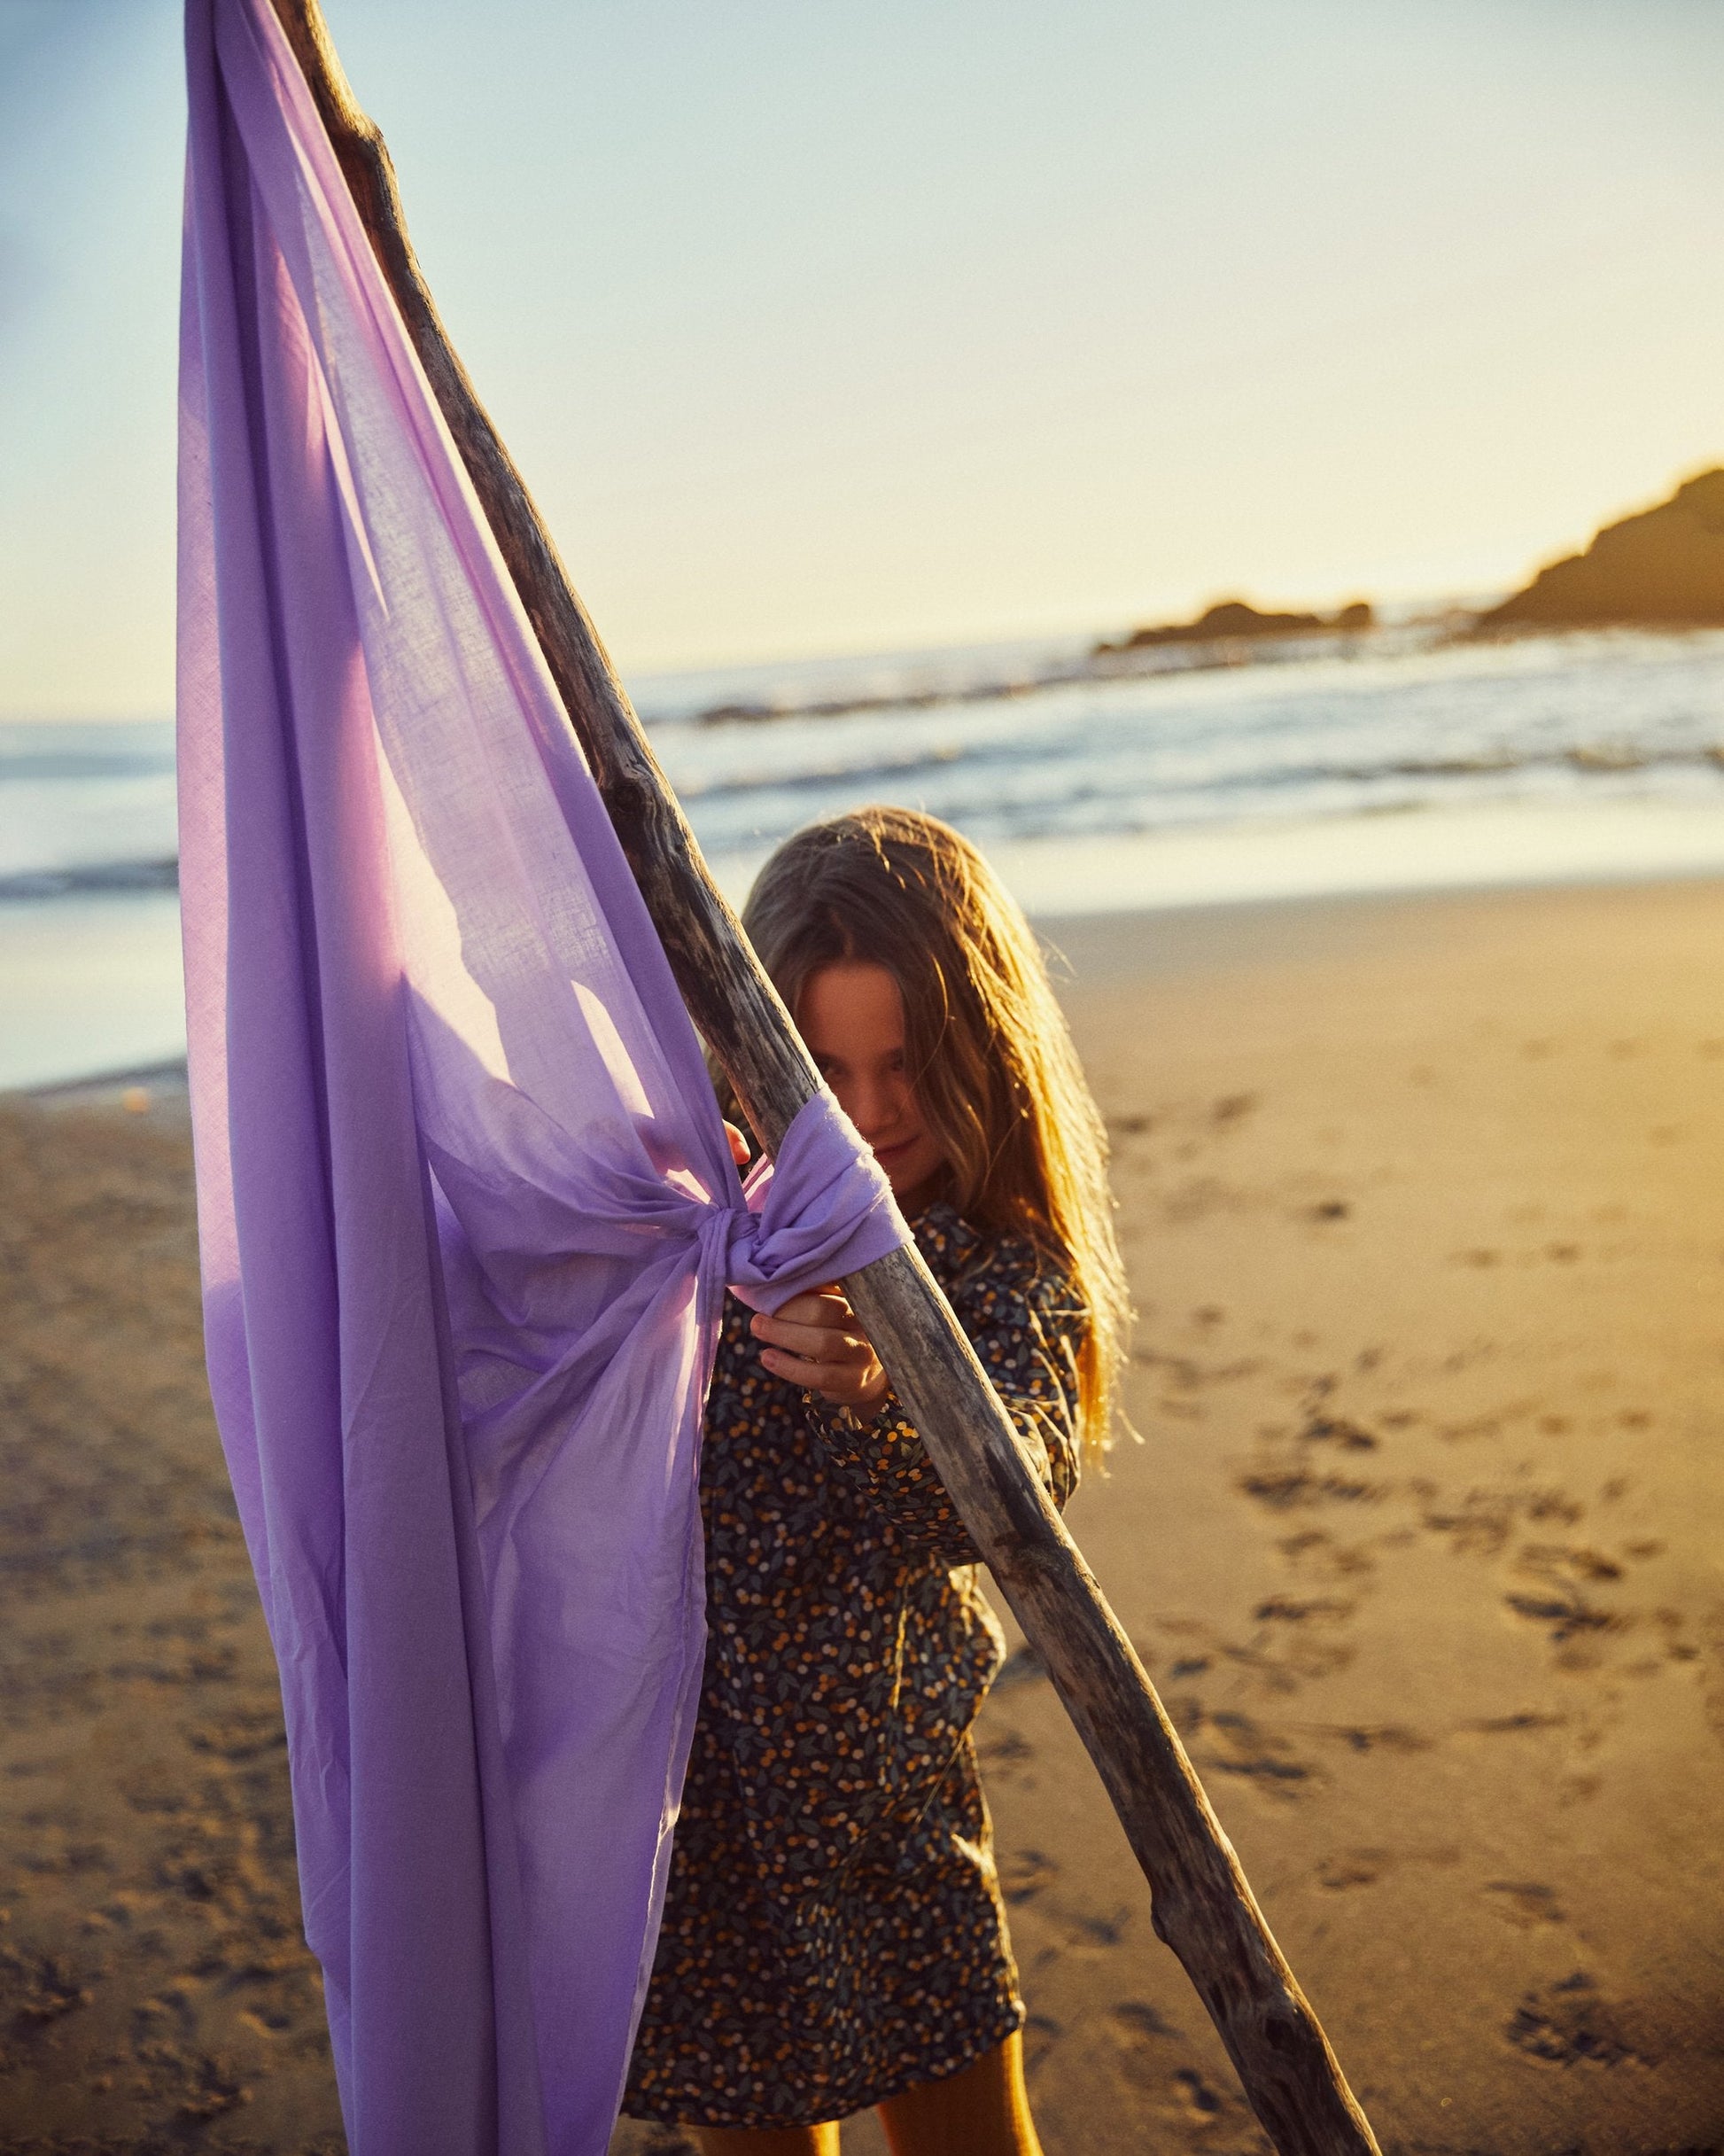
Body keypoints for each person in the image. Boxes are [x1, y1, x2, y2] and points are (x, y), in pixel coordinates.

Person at [622, 807, 1129, 2156]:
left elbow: (1017, 1479)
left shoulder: (994, 1265)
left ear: (981, 1054)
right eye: (824, 1069)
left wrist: (882, 1391)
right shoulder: (701, 1233)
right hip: (704, 1830)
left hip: (894, 1823)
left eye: (907, 1062)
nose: (872, 1111)